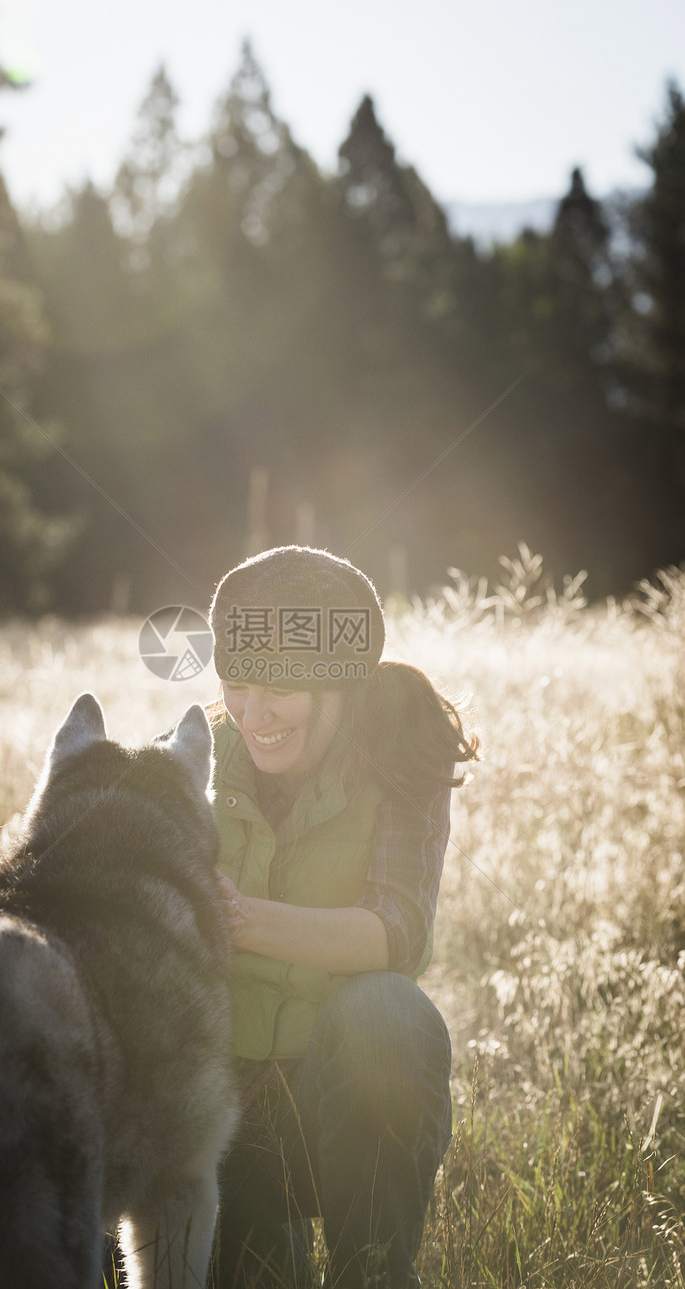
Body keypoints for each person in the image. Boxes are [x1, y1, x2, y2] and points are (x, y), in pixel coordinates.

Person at [205, 545, 480, 1289]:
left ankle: (372, 1273)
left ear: (339, 685)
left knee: (388, 1010)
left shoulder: (401, 754)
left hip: (339, 1108)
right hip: (209, 1113)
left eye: (278, 690)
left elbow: (394, 930)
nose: (251, 714)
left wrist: (236, 917)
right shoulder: (204, 751)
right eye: (236, 684)